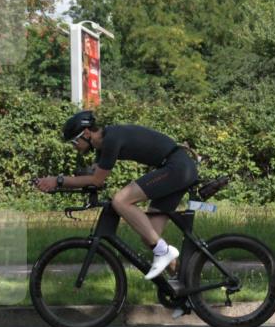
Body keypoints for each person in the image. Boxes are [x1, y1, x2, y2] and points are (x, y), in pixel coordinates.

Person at [34, 111, 199, 280]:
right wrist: (54, 183)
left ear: (87, 133)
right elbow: (91, 178)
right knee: (150, 235)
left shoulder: (111, 139)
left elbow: (97, 180)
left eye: (75, 142)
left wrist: (58, 181)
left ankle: (164, 253)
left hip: (176, 168)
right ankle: (183, 287)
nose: (74, 147)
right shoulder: (102, 146)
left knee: (120, 200)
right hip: (175, 168)